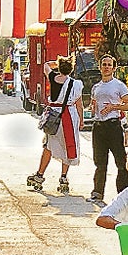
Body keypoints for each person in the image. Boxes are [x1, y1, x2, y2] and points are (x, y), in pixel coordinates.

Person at [26, 57, 84, 193]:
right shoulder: (76, 84)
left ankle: (39, 175)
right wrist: (81, 120)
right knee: (68, 146)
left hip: (54, 116)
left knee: (48, 146)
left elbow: (45, 65)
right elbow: (79, 104)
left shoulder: (53, 77)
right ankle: (63, 177)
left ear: (59, 67)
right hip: (69, 116)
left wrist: (55, 63)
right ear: (71, 69)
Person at [88, 54, 128, 205]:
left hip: (113, 125)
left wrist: (113, 106)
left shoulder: (119, 85)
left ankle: (123, 193)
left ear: (114, 68)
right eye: (104, 64)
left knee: (121, 161)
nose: (106, 67)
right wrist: (92, 107)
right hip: (98, 127)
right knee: (99, 162)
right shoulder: (96, 87)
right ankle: (97, 192)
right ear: (100, 67)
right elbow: (94, 104)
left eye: (109, 65)